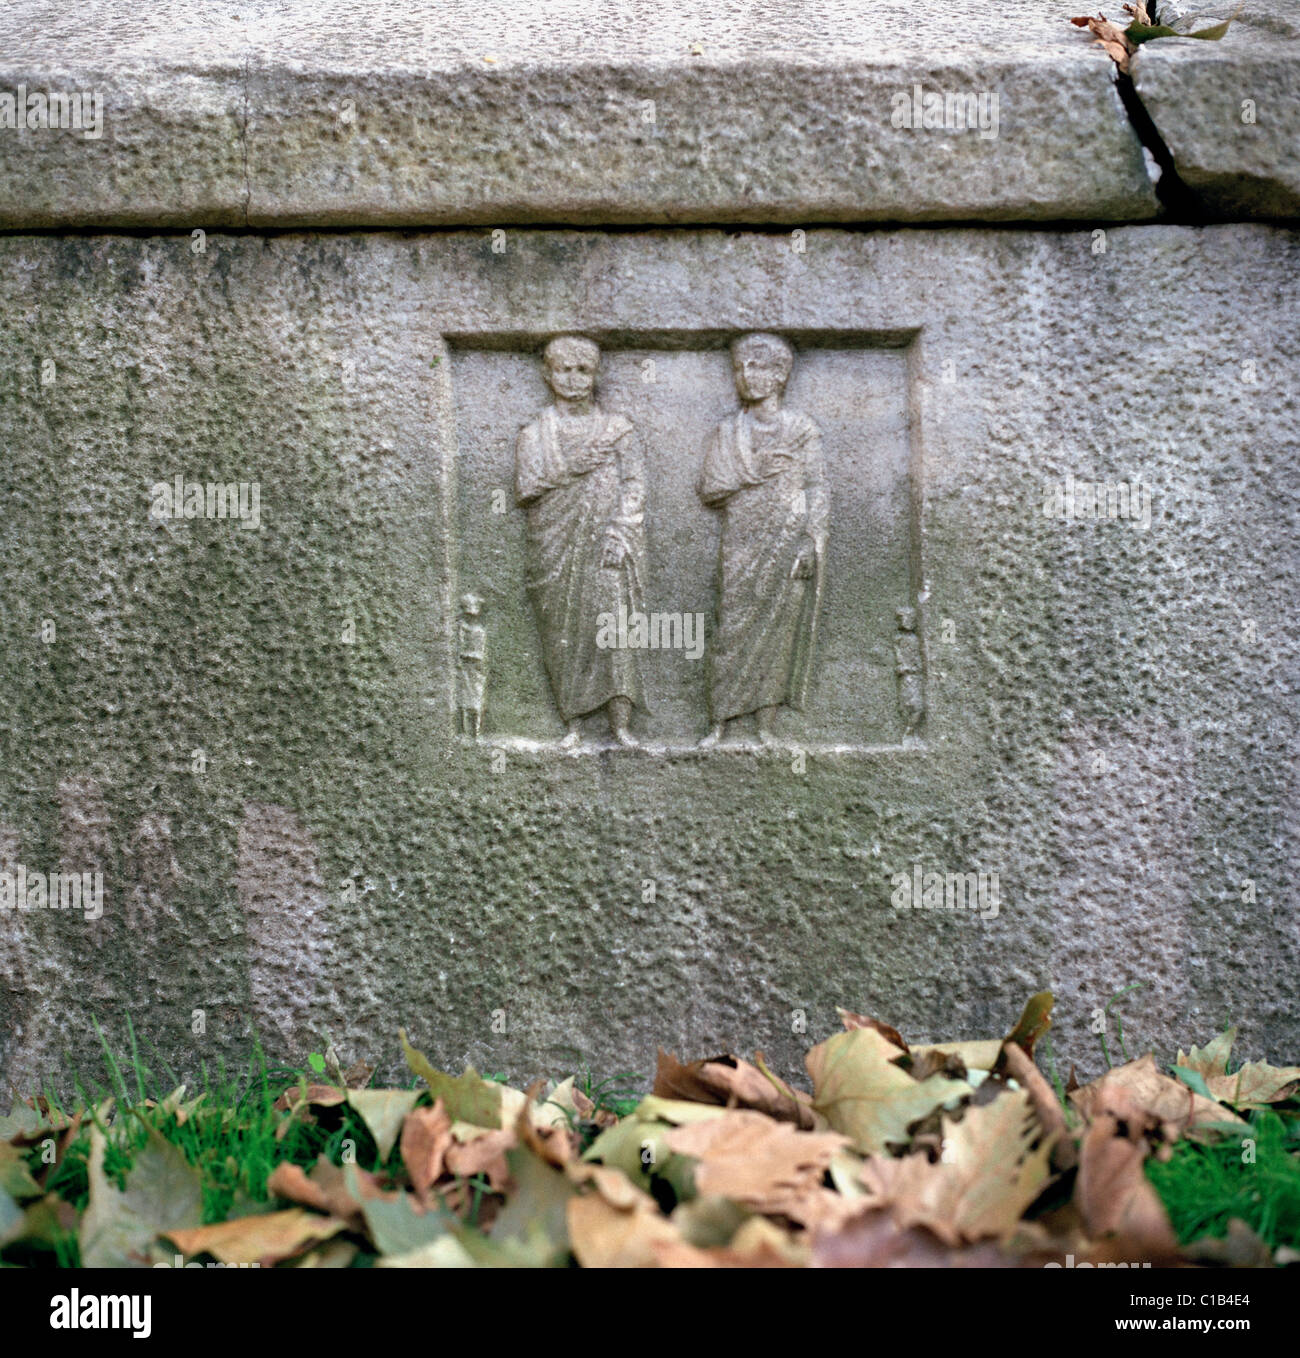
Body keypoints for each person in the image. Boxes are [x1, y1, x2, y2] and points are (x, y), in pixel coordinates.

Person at [515, 335, 646, 747]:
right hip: (555, 544)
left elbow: (635, 484)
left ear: (596, 375)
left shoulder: (617, 430)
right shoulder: (535, 434)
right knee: (564, 630)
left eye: (583, 370)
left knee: (613, 624)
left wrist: (621, 530)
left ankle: (620, 725)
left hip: (607, 542)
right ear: (547, 374)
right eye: (563, 370)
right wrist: (571, 468)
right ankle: (573, 724)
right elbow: (525, 487)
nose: (573, 379)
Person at [697, 333, 828, 746]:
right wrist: (753, 471)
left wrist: (811, 540)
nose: (747, 376)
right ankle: (719, 721)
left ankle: (766, 727)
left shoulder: (802, 430)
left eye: (759, 367)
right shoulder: (727, 431)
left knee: (778, 633)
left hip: (787, 540)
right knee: (731, 625)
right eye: (740, 368)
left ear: (780, 375)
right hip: (741, 541)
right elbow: (710, 487)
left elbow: (817, 486)